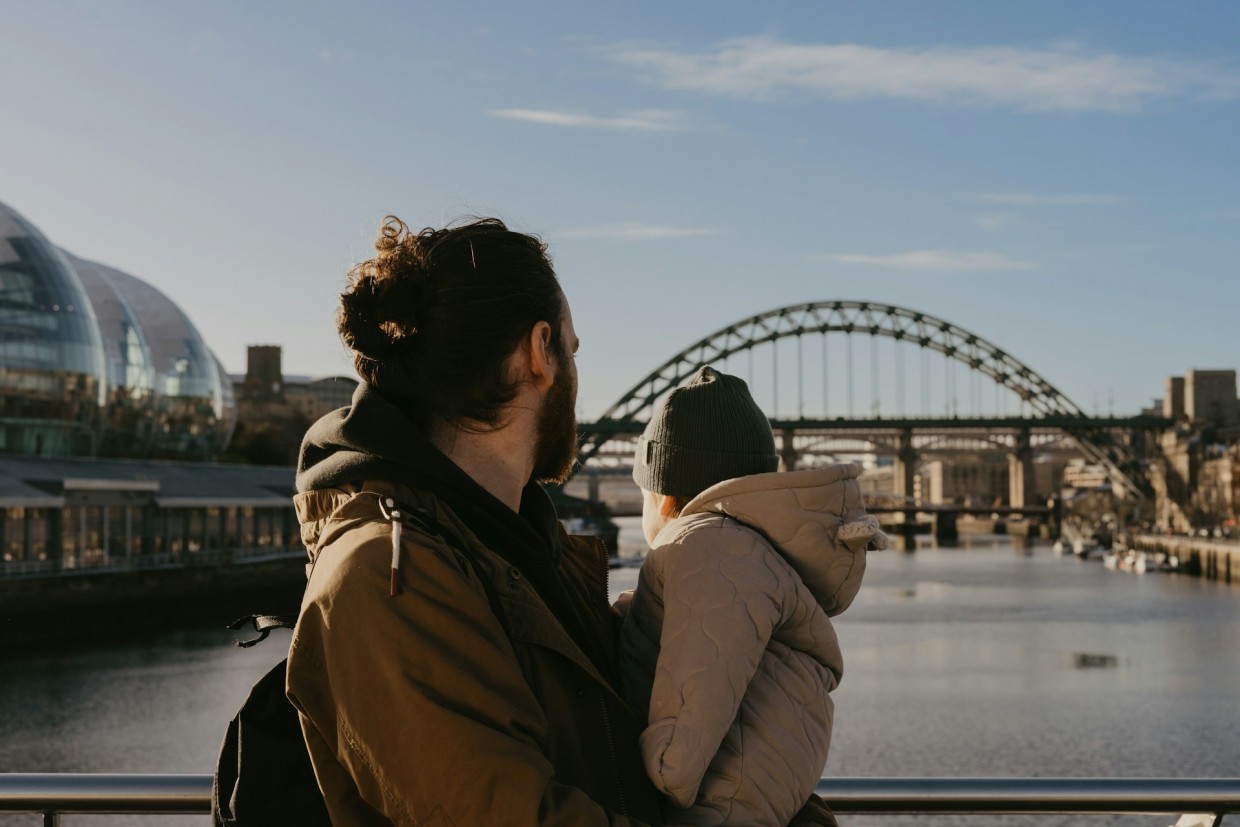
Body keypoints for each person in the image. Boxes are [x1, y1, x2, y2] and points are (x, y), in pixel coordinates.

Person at [285, 215, 839, 826]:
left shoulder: (524, 553)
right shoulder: (386, 574)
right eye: (572, 351)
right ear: (538, 351)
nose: (576, 376)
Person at [619, 366, 887, 826]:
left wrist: (667, 760)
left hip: (714, 805)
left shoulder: (705, 546)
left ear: (662, 496)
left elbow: (705, 667)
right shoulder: (748, 552)